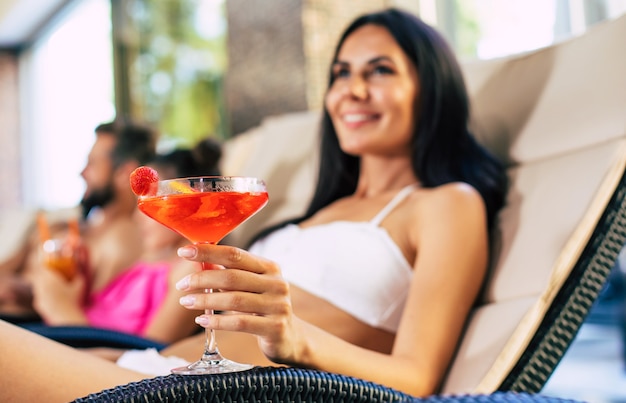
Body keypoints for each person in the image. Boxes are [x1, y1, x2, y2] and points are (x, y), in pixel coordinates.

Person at [0, 8, 508, 401]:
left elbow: (418, 379)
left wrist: (296, 338)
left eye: (378, 71)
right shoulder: (315, 212)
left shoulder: (445, 204)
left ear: (431, 88)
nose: (352, 90)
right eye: (340, 73)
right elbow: (169, 331)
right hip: (150, 371)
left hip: (227, 391)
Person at [27, 138, 222, 344]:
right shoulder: (144, 265)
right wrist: (79, 283)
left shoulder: (194, 271)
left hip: (81, 358)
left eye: (152, 204)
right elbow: (99, 319)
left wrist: (60, 309)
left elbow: (148, 357)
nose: (138, 217)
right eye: (140, 205)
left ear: (190, 206)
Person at [0, 120, 157, 319]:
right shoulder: (63, 225)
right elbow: (8, 264)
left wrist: (27, 292)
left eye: (92, 164)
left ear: (124, 172)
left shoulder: (120, 244)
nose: (82, 173)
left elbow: (90, 316)